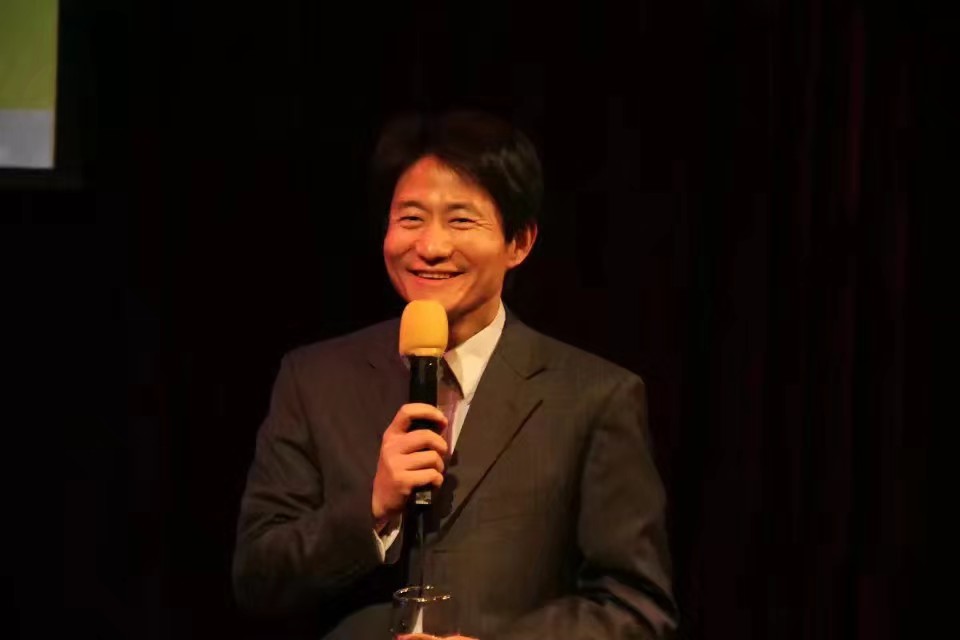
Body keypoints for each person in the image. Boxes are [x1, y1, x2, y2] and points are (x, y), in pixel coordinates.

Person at [232, 110, 678, 639]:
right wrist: (372, 509)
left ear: (520, 242)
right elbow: (258, 578)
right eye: (411, 219)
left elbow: (636, 609)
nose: (431, 247)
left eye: (461, 221)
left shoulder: (595, 397)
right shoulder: (314, 380)